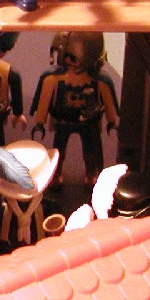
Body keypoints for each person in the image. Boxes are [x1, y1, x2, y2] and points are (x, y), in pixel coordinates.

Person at [30, 32, 119, 187]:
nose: (68, 61)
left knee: (90, 152)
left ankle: (91, 174)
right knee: (58, 151)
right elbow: (44, 100)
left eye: (72, 57)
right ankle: (56, 173)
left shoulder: (98, 80)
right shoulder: (53, 78)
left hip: (88, 122)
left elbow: (107, 100)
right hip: (62, 120)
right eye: (65, 56)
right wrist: (40, 121)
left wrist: (112, 120)